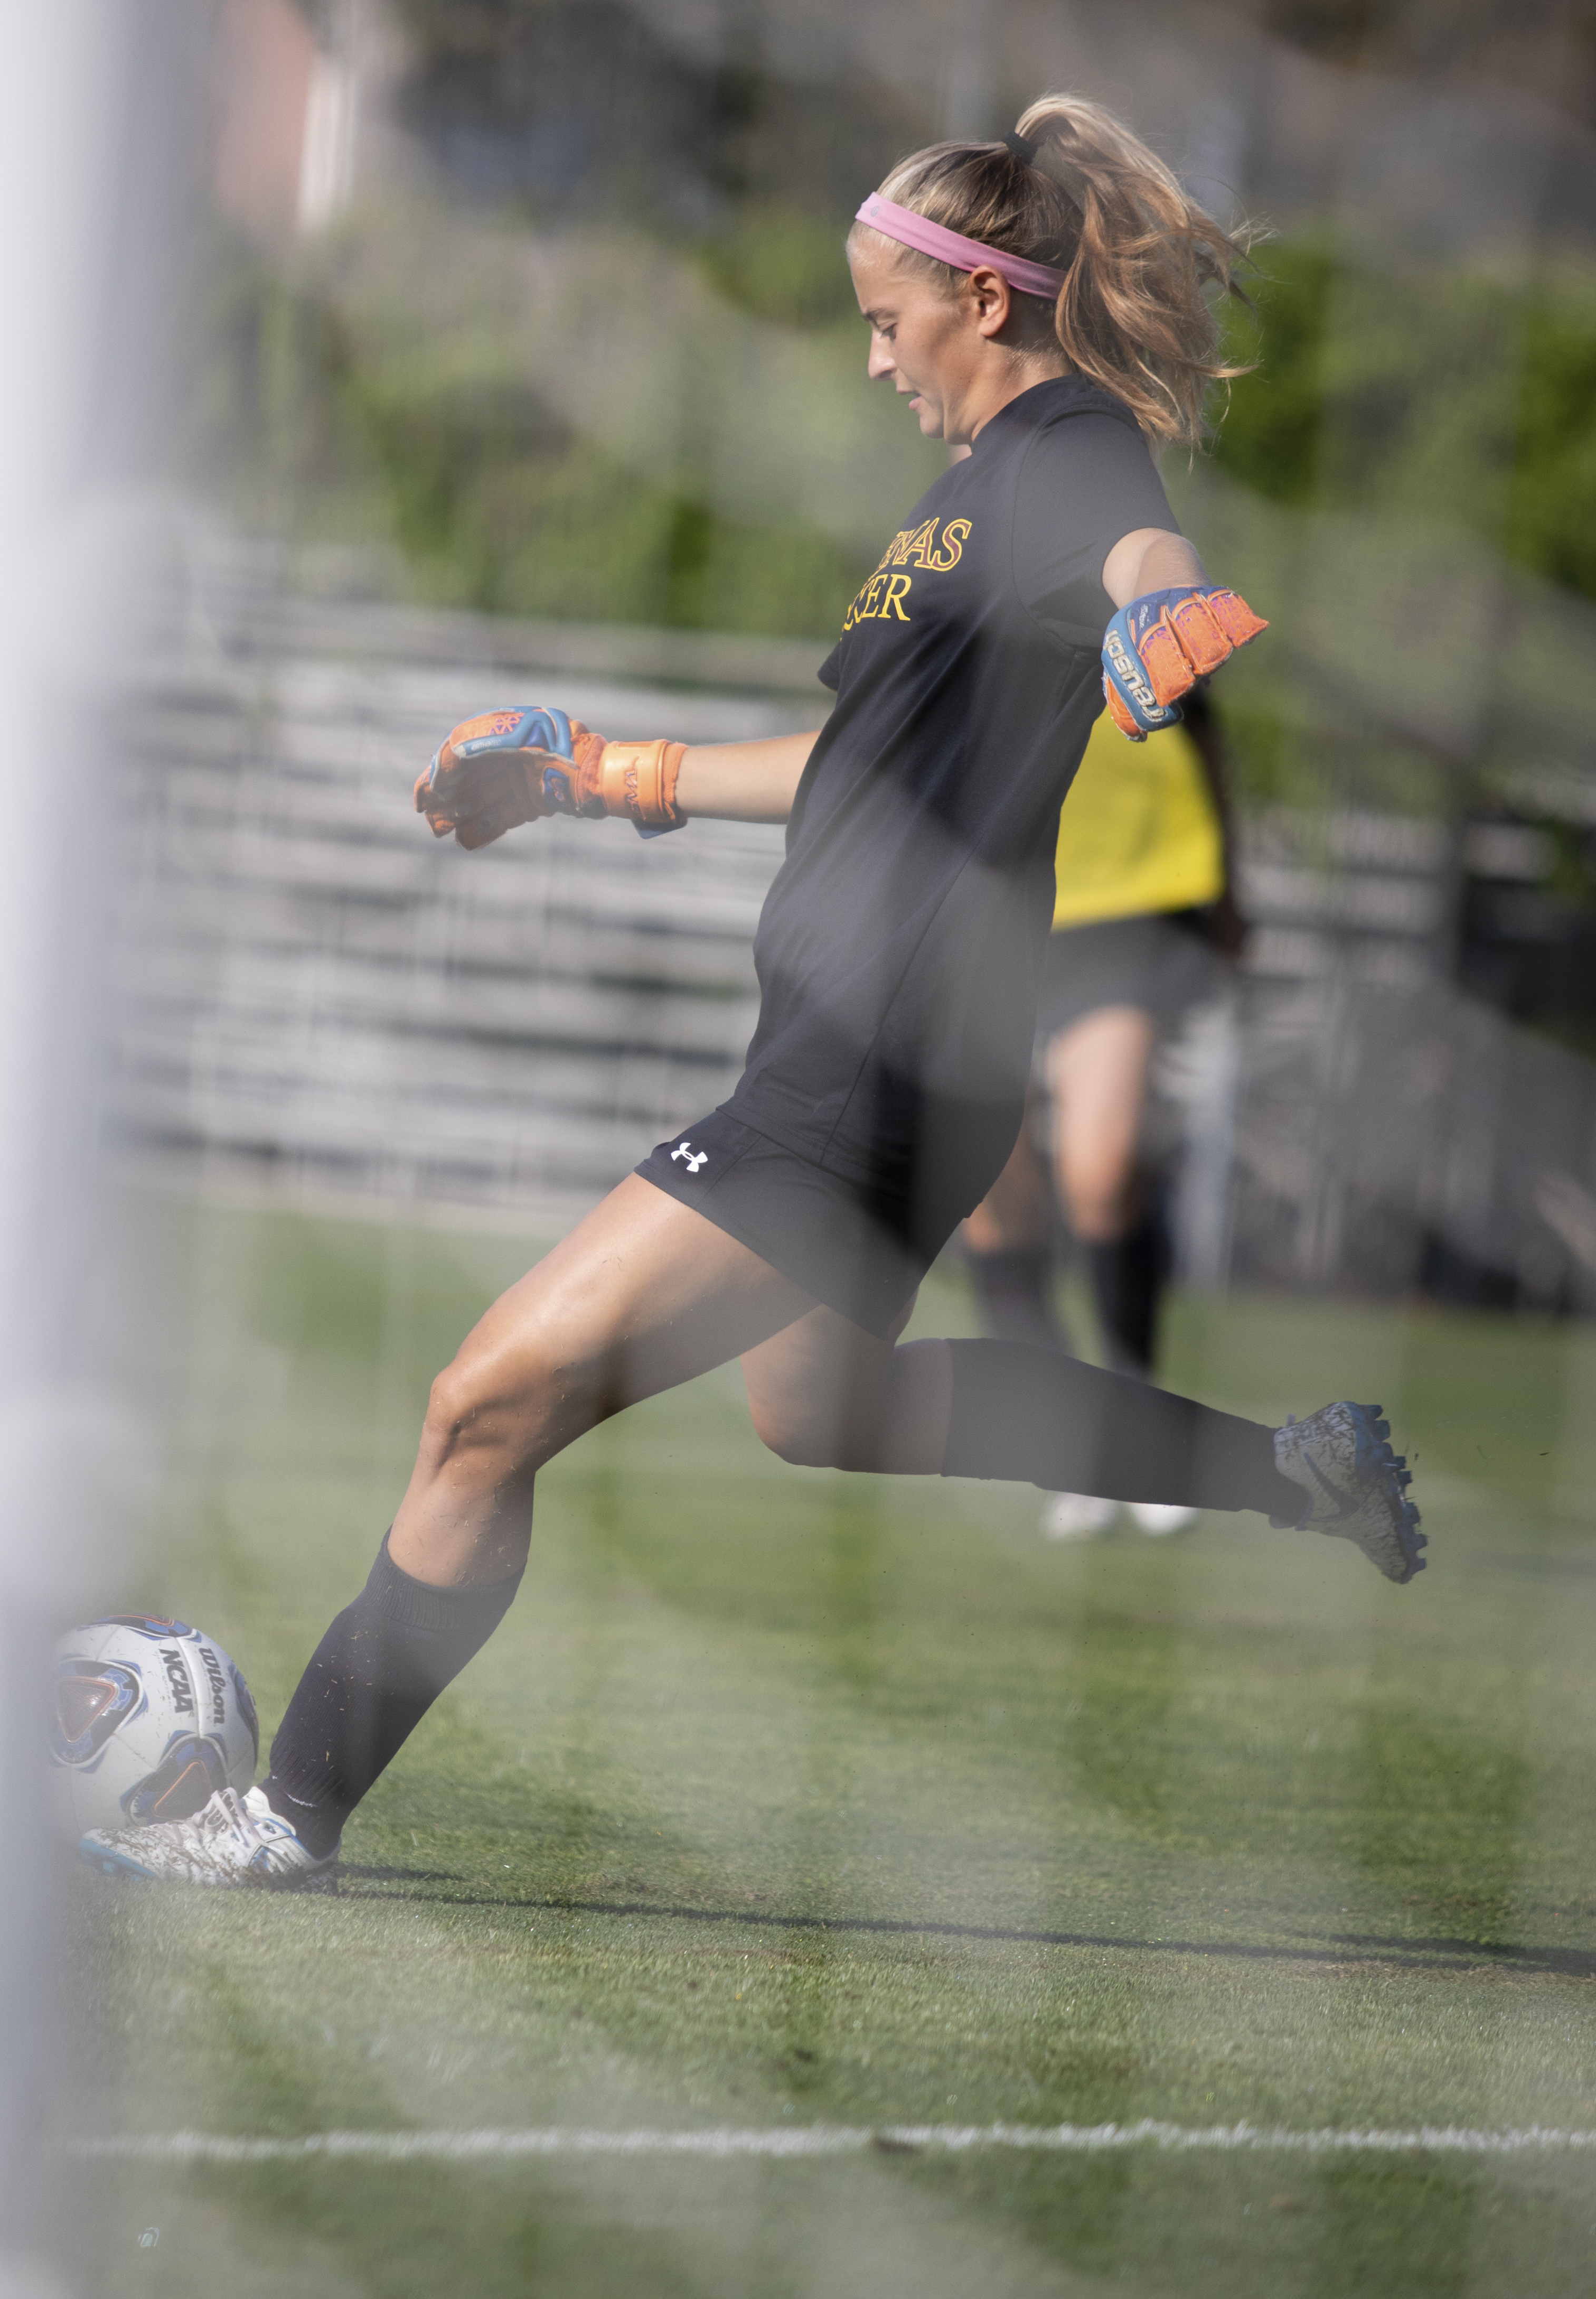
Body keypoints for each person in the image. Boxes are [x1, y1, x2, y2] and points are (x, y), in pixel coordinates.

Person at [86, 95, 1424, 1892]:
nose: (877, 360)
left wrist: (1163, 614)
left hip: (872, 1059)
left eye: (891, 319)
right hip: (882, 1054)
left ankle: (283, 1820)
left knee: (484, 1405)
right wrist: (598, 770)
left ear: (985, 303)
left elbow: (1143, 551)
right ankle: (1293, 1472)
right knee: (824, 1413)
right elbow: (850, 762)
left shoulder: (1063, 452)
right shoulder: (962, 504)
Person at [962, 677, 1245, 1541]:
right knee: (983, 1191)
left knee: (1102, 1164)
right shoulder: (947, 572)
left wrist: (1230, 886)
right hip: (975, 909)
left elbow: (1202, 736)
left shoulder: (1134, 576)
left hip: (1118, 902)